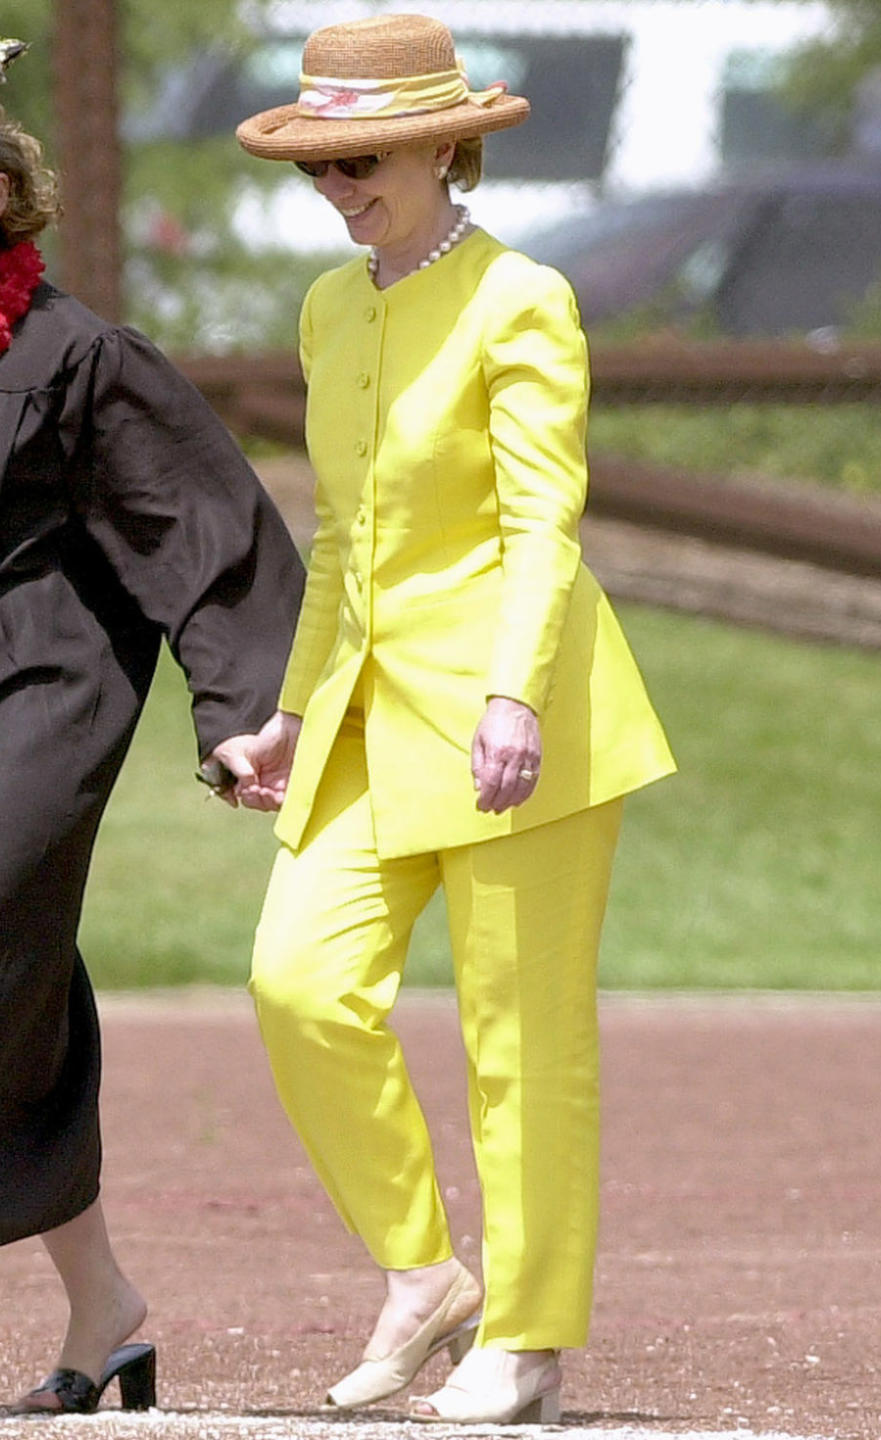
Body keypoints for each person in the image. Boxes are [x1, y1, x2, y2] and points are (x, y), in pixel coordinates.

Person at [231, 12, 675, 1425]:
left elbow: (547, 518)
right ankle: (424, 1274)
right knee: (298, 980)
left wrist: (509, 695)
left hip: (517, 720)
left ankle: (528, 1338)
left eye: (358, 160)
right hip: (370, 721)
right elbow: (345, 541)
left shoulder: (522, 298)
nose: (337, 188)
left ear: (441, 145)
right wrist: (294, 715)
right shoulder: (329, 309)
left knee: (519, 1039)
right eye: (317, 167)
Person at [0, 37, 304, 1415]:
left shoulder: (75, 355)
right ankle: (105, 1308)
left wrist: (242, 708)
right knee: (10, 975)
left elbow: (195, 519)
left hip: (43, 686)